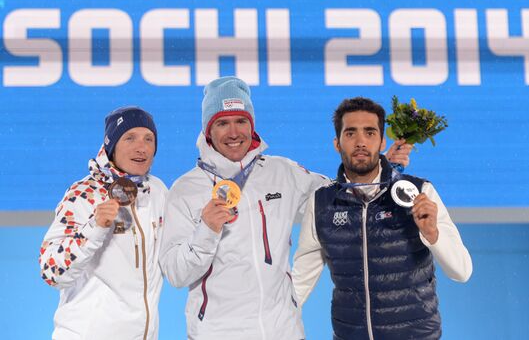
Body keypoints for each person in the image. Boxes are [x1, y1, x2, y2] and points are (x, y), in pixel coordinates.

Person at [159, 77, 411, 339]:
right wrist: (207, 230)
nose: (234, 133)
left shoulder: (282, 172)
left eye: (241, 121)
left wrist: (382, 169)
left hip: (283, 330)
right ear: (208, 130)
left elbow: (342, 197)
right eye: (222, 123)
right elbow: (176, 274)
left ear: (252, 125)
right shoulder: (185, 190)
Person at [291, 97, 473, 340]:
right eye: (350, 133)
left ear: (382, 141)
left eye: (369, 132)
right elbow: (299, 283)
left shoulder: (420, 192)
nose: (361, 142)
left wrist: (433, 235)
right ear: (337, 143)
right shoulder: (322, 203)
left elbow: (461, 271)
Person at [39, 107, 168, 340]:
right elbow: (51, 271)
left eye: (148, 139)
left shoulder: (157, 191)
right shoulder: (83, 195)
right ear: (111, 146)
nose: (141, 147)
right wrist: (94, 228)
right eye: (130, 138)